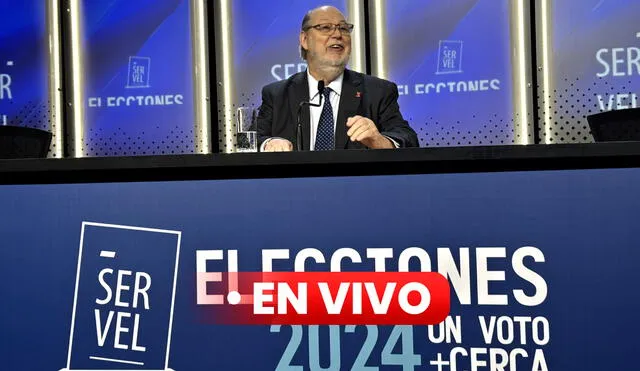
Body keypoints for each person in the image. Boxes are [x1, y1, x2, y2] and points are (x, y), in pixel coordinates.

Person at [257, 5, 419, 152]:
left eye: (344, 28)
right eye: (326, 27)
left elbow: (407, 139)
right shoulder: (276, 94)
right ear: (304, 40)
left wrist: (379, 141)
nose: (337, 34)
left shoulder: (378, 92)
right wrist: (269, 143)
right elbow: (252, 140)